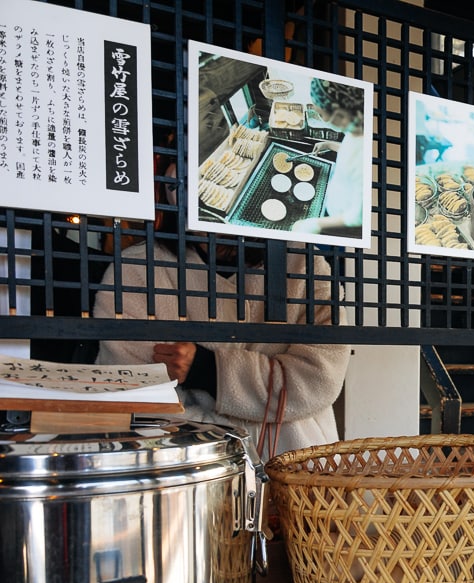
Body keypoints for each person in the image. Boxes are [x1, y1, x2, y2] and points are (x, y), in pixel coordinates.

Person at [92, 172, 350, 459]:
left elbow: (318, 380)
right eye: (172, 187)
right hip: (187, 471)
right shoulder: (137, 269)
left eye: (200, 177)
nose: (184, 196)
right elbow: (131, 391)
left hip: (297, 467)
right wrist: (266, 387)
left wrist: (206, 369)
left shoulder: (304, 262)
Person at [292, 78, 367, 239]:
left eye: (321, 114)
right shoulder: (356, 129)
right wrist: (330, 145)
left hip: (343, 225)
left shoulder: (362, 148)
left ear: (339, 113)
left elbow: (357, 216)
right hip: (335, 203)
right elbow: (351, 152)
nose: (321, 118)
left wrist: (313, 224)